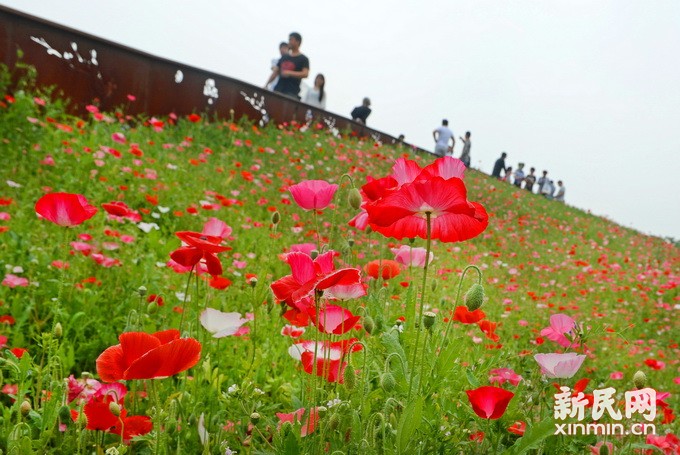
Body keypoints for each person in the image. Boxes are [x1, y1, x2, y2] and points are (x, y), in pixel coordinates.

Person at [265, 32, 309, 99]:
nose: (289, 42)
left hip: (291, 93)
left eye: (291, 40)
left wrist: (289, 73)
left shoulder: (303, 59)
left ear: (298, 42)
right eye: (289, 40)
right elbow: (276, 72)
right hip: (278, 90)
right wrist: (266, 84)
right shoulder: (284, 57)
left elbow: (305, 74)